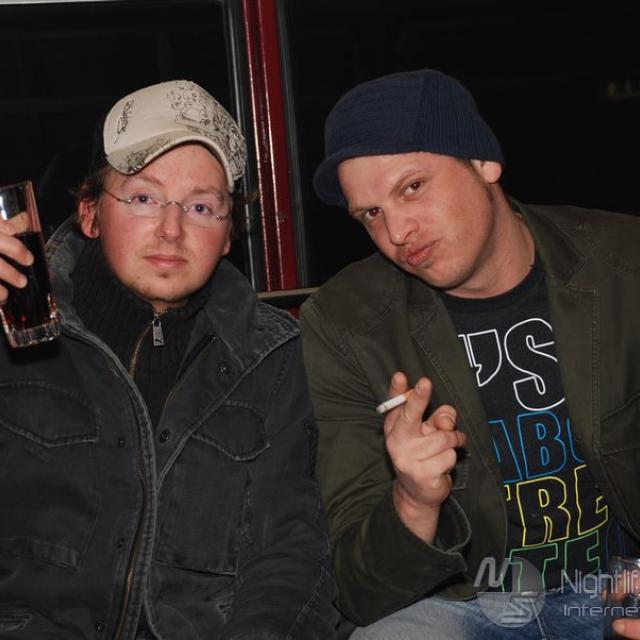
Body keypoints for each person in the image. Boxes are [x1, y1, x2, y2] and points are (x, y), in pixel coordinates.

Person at [300, 68, 640, 639]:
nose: (396, 231)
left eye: (412, 187)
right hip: (469, 604)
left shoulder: (624, 267)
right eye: (371, 214)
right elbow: (358, 591)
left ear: (484, 162)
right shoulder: (347, 324)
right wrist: (413, 500)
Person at [0, 80, 337, 639]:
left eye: (202, 207)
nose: (172, 229)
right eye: (144, 198)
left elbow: (290, 558)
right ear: (90, 213)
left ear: (228, 235)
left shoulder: (273, 359)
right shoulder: (16, 323)